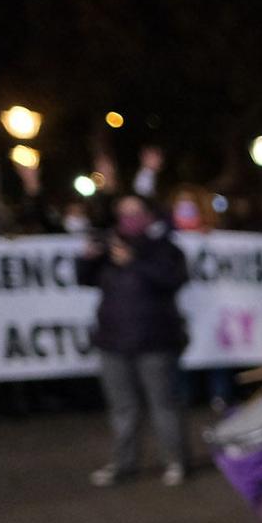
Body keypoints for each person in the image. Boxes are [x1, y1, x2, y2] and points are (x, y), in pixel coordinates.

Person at [78, 196, 193, 487]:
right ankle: (123, 462)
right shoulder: (109, 249)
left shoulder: (164, 248)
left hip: (155, 340)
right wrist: (88, 258)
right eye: (123, 214)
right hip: (113, 341)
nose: (128, 219)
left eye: (134, 213)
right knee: (122, 408)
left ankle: (176, 460)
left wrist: (135, 262)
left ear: (148, 214)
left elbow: (173, 279)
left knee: (163, 405)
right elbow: (84, 278)